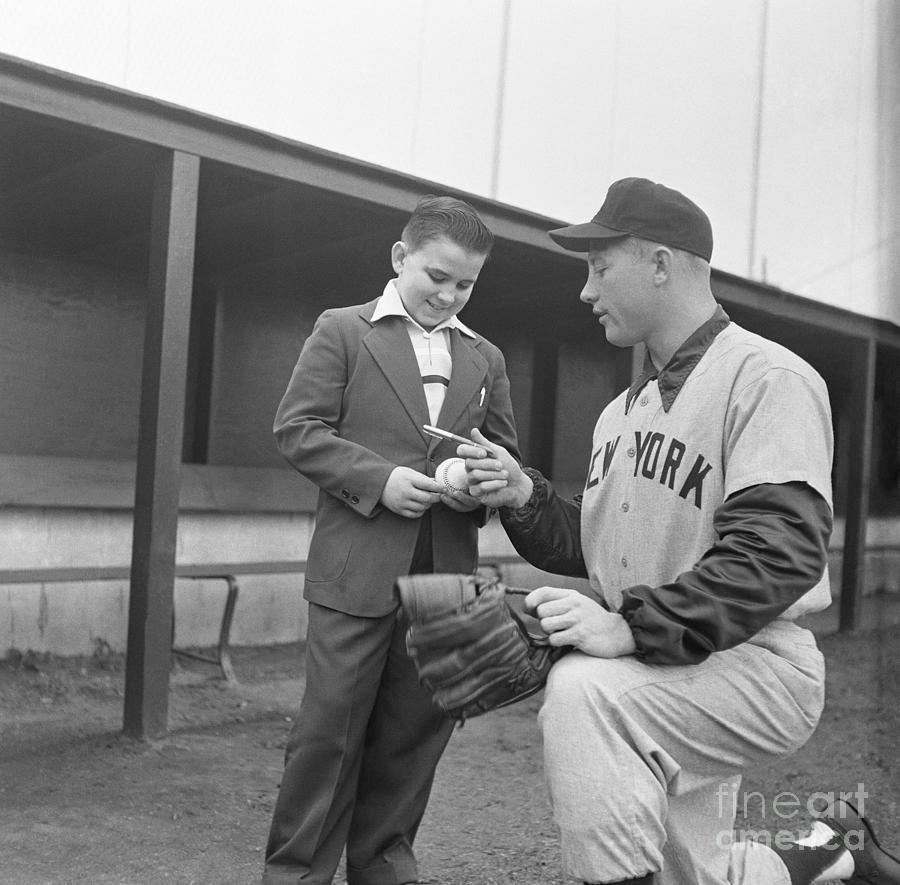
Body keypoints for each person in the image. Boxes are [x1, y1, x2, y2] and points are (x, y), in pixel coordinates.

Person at [460, 177, 900, 885]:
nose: (585, 289)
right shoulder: (618, 412)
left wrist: (627, 628)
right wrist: (522, 493)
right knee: (703, 874)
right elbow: (599, 543)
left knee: (582, 693)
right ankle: (837, 846)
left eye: (601, 266)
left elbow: (777, 556)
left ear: (661, 265)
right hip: (671, 657)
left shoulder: (768, 378)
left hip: (754, 662)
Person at [263, 195, 520, 885]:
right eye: (437, 276)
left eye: (465, 284)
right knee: (328, 733)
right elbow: (298, 429)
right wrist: (380, 480)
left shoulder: (486, 357)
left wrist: (478, 487)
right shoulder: (342, 330)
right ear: (401, 258)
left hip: (444, 577)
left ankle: (383, 866)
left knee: (415, 735)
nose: (449, 294)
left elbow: (503, 457)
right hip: (355, 571)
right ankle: (296, 875)